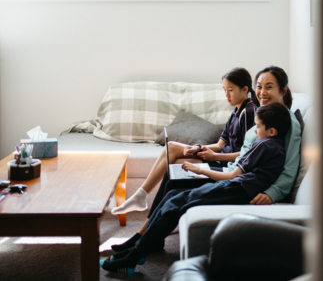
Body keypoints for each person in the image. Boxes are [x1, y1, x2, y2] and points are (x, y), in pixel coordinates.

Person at [110, 65, 302, 253]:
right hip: (233, 172)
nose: (262, 92)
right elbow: (239, 151)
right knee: (172, 176)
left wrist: (273, 193)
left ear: (283, 90)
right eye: (259, 86)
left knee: (174, 183)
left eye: (269, 87)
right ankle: (145, 235)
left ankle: (145, 237)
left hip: (239, 180)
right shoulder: (264, 114)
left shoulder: (284, 121)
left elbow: (289, 167)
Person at [100, 102, 292, 277]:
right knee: (174, 194)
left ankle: (132, 259)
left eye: (258, 126)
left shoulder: (264, 145)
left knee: (176, 204)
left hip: (238, 188)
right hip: (238, 186)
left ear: (272, 131)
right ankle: (139, 250)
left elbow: (233, 176)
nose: (255, 130)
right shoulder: (273, 144)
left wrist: (200, 170)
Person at [111, 67, 258, 215]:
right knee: (172, 147)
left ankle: (157, 212)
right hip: (219, 158)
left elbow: (246, 154)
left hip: (227, 165)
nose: (226, 94)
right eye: (224, 89)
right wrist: (199, 148)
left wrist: (214, 157)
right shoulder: (235, 111)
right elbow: (220, 145)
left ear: (244, 89)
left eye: (230, 90)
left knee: (176, 164)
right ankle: (141, 196)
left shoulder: (249, 112)